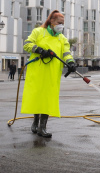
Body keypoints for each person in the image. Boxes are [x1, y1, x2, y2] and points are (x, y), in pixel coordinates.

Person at [21, 10, 76, 138]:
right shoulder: (38, 32)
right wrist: (40, 50)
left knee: (48, 98)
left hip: (52, 74)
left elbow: (66, 53)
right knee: (37, 97)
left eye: (63, 23)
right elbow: (27, 44)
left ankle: (42, 128)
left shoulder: (62, 38)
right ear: (51, 21)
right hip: (38, 71)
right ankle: (35, 123)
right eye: (59, 23)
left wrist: (71, 63)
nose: (61, 26)